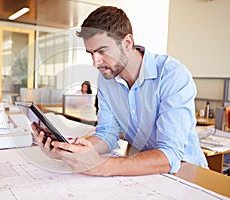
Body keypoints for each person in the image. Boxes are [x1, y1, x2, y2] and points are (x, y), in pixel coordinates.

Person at [32, 6, 208, 176]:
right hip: (147, 170)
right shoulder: (107, 80)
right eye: (91, 53)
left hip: (188, 173)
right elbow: (107, 135)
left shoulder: (172, 75)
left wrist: (100, 166)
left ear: (127, 43)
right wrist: (70, 150)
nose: (95, 62)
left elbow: (169, 156)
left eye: (102, 51)